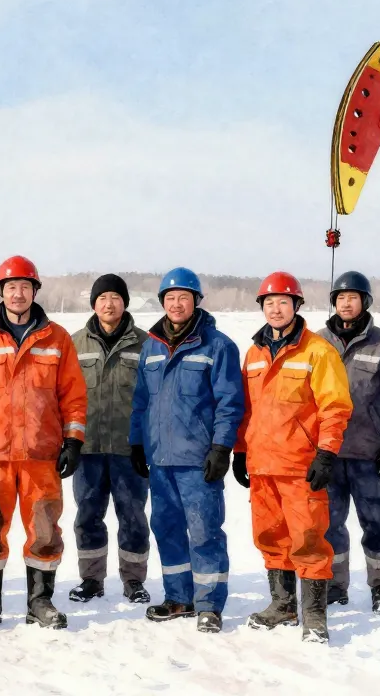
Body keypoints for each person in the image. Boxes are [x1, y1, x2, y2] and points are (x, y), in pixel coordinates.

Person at [0, 256, 88, 632]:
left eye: (25, 286)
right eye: (11, 287)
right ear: (1, 291)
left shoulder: (57, 339)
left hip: (41, 456)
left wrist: (73, 441)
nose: (18, 293)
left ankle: (40, 603)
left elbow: (73, 395)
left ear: (35, 291)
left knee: (45, 532)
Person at [234, 271, 352, 644]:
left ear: (296, 305)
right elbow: (246, 409)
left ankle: (314, 616)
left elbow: (335, 407)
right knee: (270, 536)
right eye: (269, 303)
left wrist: (327, 452)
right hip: (262, 465)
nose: (275, 309)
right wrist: (240, 451)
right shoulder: (253, 354)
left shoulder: (318, 351)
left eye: (283, 302)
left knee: (308, 538)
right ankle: (282, 604)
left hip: (301, 466)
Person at [129, 268, 246, 633]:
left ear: (196, 301)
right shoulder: (151, 347)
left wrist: (221, 447)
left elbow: (230, 403)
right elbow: (141, 402)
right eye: (170, 298)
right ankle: (178, 597)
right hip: (160, 459)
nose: (176, 304)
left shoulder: (218, 346)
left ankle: (209, 604)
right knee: (166, 528)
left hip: (198, 460)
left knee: (204, 531)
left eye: (183, 297)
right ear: (162, 302)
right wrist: (137, 442)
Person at [317, 271, 380, 613]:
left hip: (369, 454)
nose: (346, 303)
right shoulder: (317, 343)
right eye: (340, 298)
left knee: (377, 523)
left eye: (353, 297)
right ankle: (334, 585)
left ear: (365, 302)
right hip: (326, 455)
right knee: (328, 524)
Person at [69, 274, 152, 606]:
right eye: (102, 298)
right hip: (87, 448)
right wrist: (67, 441)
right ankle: (91, 579)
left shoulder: (146, 344)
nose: (109, 304)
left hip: (129, 449)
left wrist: (145, 443)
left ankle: (134, 580)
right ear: (93, 304)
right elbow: (64, 396)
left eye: (115, 297)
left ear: (125, 303)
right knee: (87, 515)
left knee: (133, 515)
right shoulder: (74, 344)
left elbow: (153, 397)